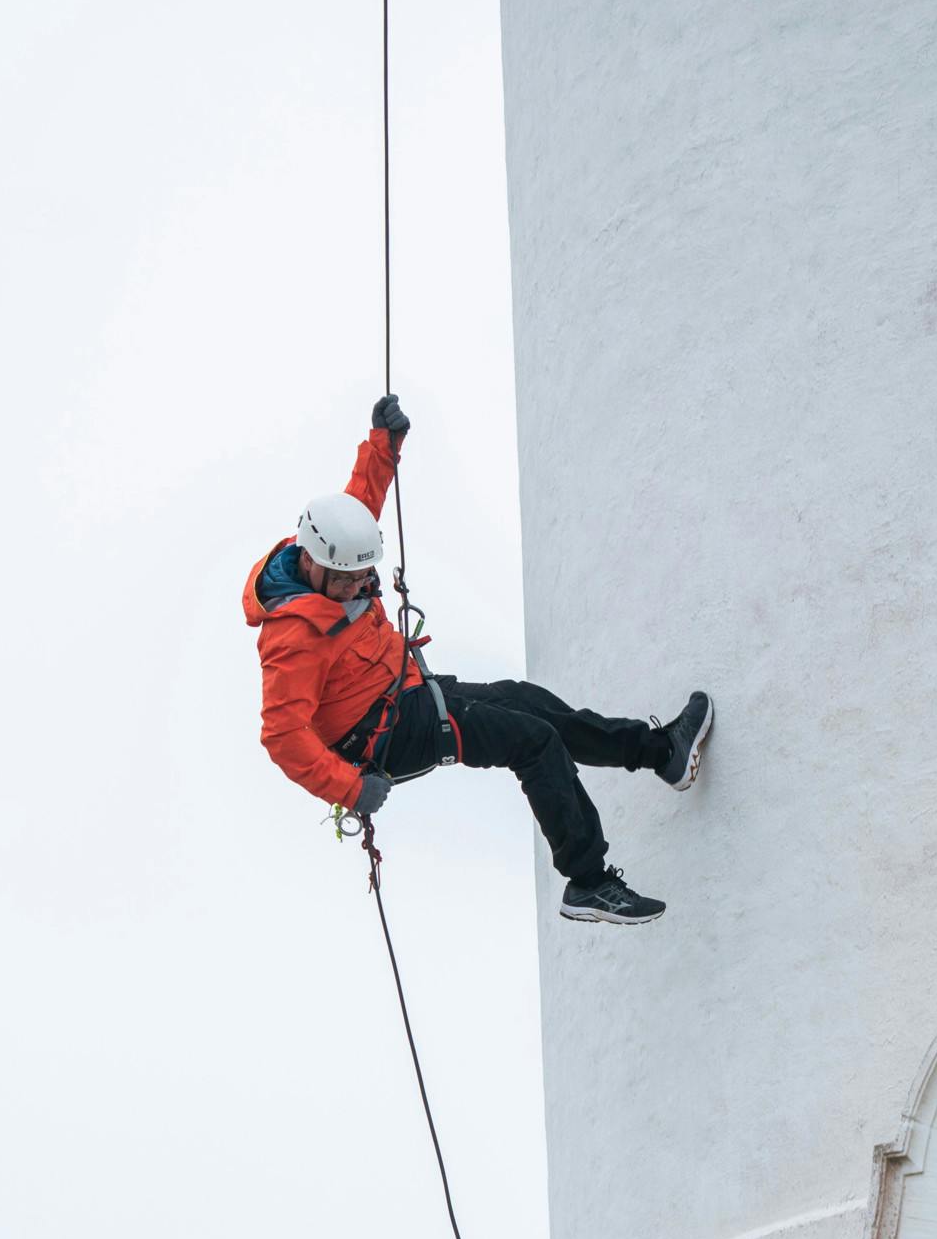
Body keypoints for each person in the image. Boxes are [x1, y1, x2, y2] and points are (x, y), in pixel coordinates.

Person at [242, 396, 713, 924]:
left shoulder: (328, 549)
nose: (360, 585)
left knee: (527, 701)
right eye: (349, 579)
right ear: (313, 562)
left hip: (410, 691)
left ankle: (661, 752)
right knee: (532, 742)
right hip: (386, 735)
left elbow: (360, 503)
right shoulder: (291, 638)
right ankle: (588, 882)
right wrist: (351, 789)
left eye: (363, 574)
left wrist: (383, 445)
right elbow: (283, 734)